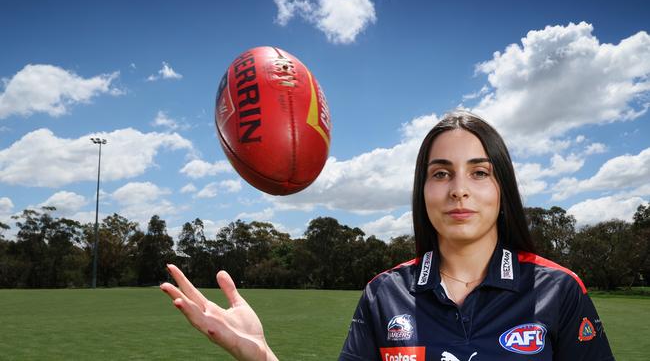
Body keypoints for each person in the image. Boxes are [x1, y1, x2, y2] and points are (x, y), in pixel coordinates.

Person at [160, 110, 614, 360]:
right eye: (441, 173)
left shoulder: (558, 291)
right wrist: (260, 355)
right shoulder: (384, 295)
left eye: (479, 173)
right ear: (423, 190)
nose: (458, 189)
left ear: (502, 189)